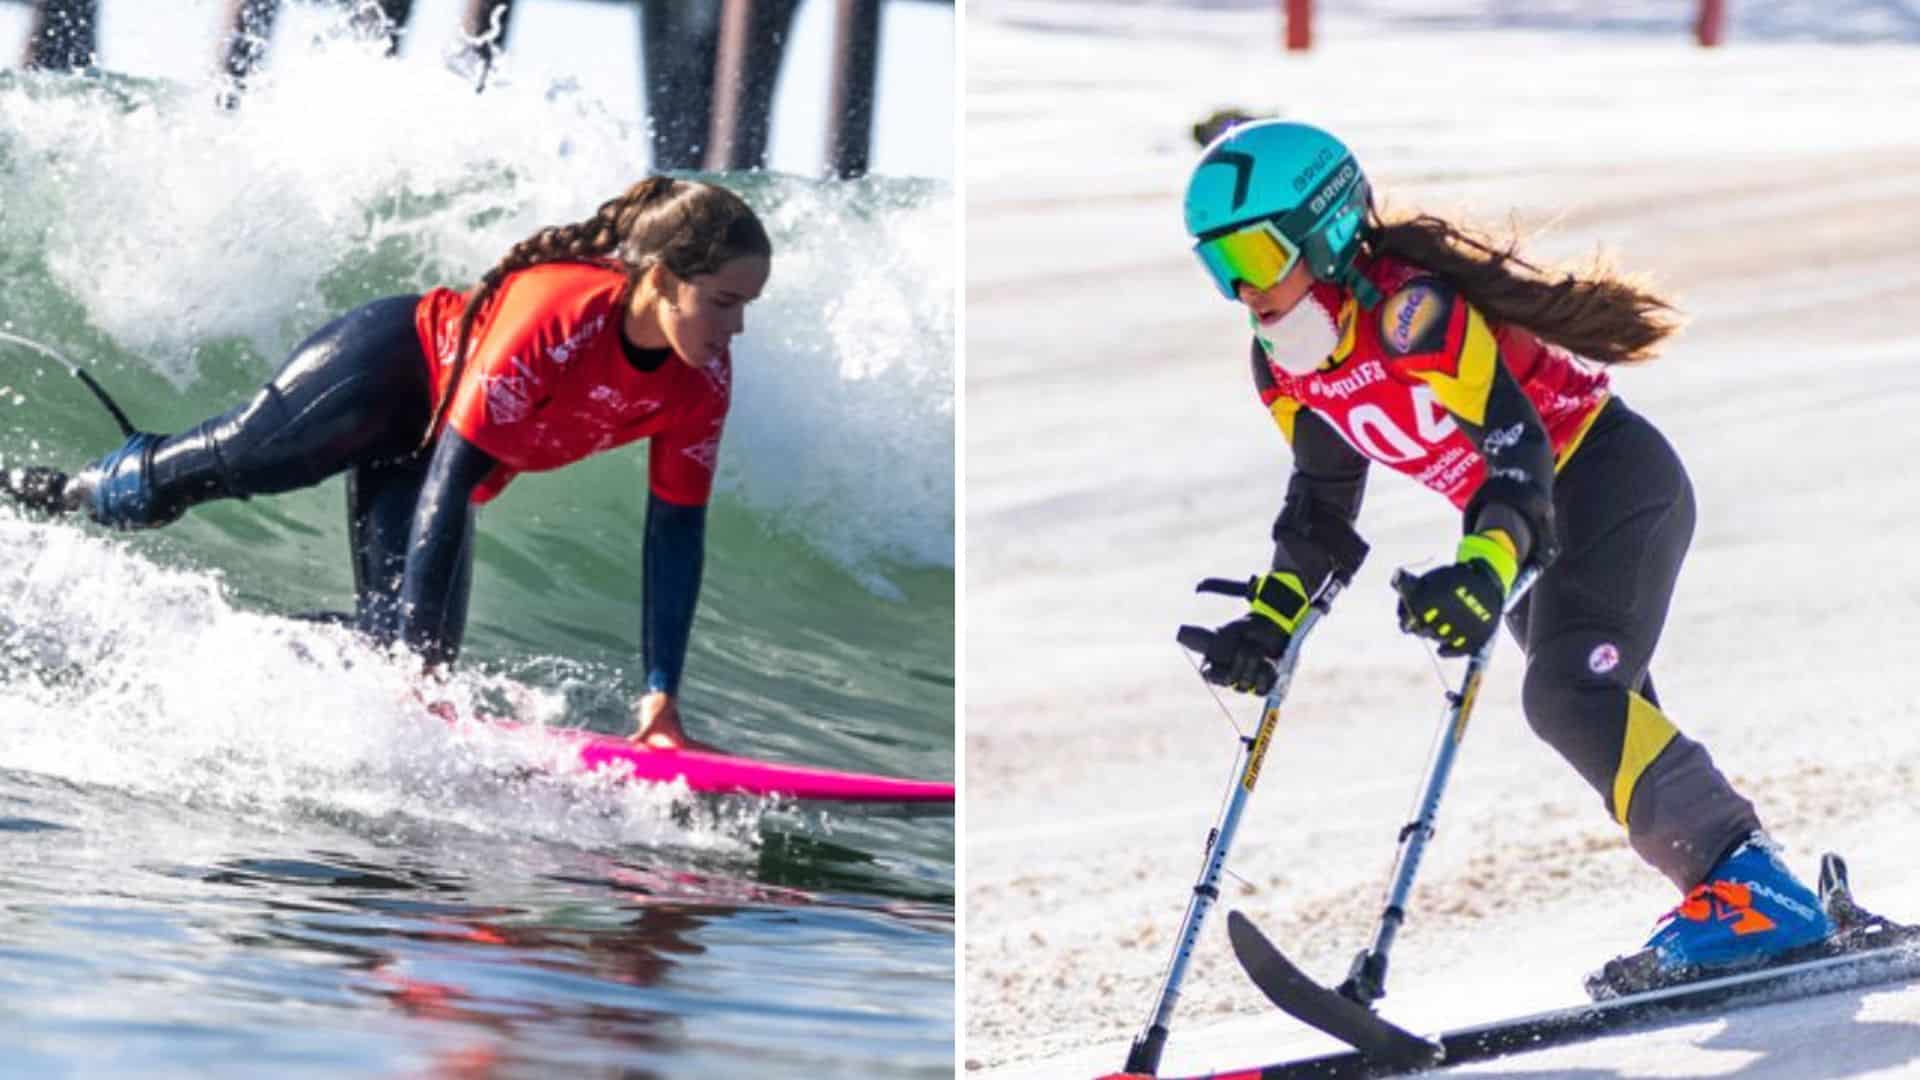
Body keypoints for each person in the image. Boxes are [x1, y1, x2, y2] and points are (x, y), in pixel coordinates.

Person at [1179, 119, 1829, 976]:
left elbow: (1513, 448)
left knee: (1568, 697)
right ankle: (1750, 891)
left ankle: (1758, 899)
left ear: (1324, 231)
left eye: (1256, 260)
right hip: (1528, 530)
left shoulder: (1413, 315)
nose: (1242, 291)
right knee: (1602, 716)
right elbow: (1323, 509)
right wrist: (1270, 621)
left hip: (1607, 484)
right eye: (1218, 267)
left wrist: (1486, 567)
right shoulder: (1285, 364)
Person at [2, 177, 771, 751]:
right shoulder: (559, 312)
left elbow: (674, 536)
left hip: (429, 449)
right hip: (383, 372)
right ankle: (60, 494)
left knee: (399, 649)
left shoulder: (701, 381)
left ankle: (220, 665)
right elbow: (456, 478)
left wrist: (660, 699)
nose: (734, 328)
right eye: (724, 301)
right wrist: (427, 684)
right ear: (664, 279)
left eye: (747, 308)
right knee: (226, 466)